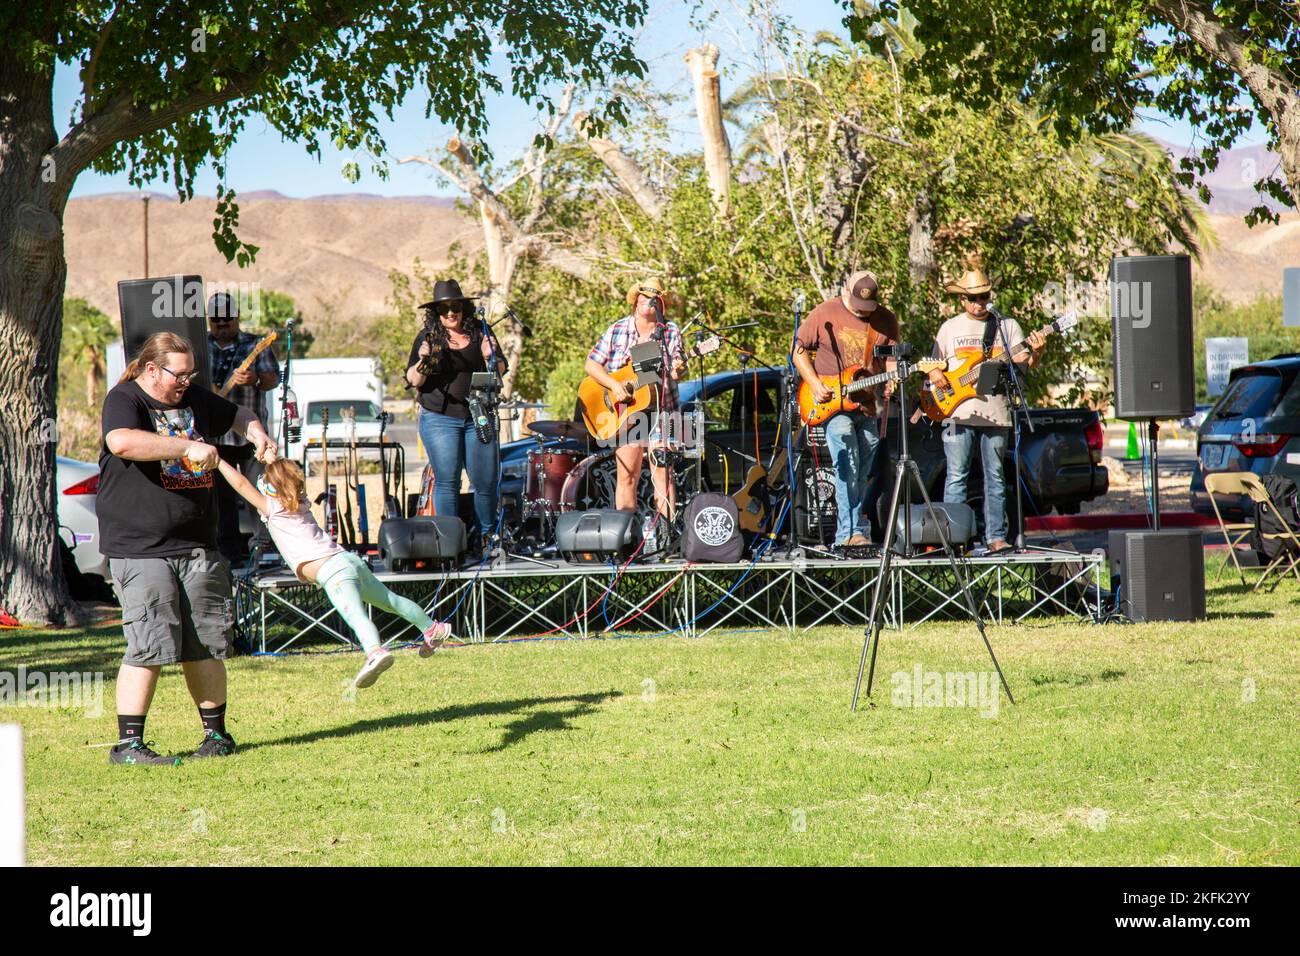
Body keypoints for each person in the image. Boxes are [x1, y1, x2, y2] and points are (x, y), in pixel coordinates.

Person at [99, 331, 276, 764]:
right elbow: (120, 441)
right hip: (141, 547)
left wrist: (257, 434)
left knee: (206, 641)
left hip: (198, 543)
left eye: (190, 374)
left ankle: (216, 737)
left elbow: (236, 413)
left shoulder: (192, 397)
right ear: (151, 369)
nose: (186, 382)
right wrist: (187, 445)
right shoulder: (126, 399)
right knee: (150, 641)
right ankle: (129, 745)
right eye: (179, 374)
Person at [216, 457, 452, 687]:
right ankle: (433, 629)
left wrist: (218, 461)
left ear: (270, 488)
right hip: (348, 561)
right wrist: (272, 459)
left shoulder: (273, 508)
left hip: (333, 573)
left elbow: (241, 484)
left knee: (356, 615)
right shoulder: (301, 501)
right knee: (391, 601)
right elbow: (283, 475)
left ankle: (375, 651)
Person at [928, 268, 1046, 553]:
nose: (980, 302)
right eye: (973, 298)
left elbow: (1022, 367)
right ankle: (954, 539)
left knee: (995, 476)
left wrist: (1038, 352)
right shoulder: (949, 328)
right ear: (963, 300)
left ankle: (996, 537)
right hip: (957, 412)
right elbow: (932, 364)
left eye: (984, 296)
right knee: (956, 475)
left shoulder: (1007, 327)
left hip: (996, 412)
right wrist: (934, 374)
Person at [792, 270, 900, 548]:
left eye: (869, 308)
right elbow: (798, 349)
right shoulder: (825, 312)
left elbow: (891, 359)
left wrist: (894, 375)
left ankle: (855, 528)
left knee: (862, 468)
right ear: (846, 293)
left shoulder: (886, 320)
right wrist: (814, 384)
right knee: (847, 461)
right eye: (858, 306)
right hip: (832, 403)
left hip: (865, 404)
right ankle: (848, 534)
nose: (864, 313)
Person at [406, 279, 507, 547]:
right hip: (440, 418)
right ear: (436, 313)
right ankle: (449, 541)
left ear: (464, 308)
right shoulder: (428, 337)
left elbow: (500, 371)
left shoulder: (480, 332)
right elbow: (414, 380)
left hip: (479, 416)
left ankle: (488, 537)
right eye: (444, 309)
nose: (451, 313)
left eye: (456, 307)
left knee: (485, 481)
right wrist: (424, 361)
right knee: (448, 480)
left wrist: (491, 356)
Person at [584, 278, 686, 517]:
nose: (646, 300)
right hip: (626, 414)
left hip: (663, 411)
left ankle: (665, 537)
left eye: (652, 297)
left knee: (662, 474)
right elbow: (591, 364)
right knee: (627, 475)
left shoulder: (670, 331)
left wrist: (679, 369)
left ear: (660, 304)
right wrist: (614, 385)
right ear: (636, 300)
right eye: (642, 295)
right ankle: (627, 537)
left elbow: (675, 371)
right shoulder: (618, 329)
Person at [207, 291, 281, 567]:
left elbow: (273, 379)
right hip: (216, 435)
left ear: (237, 318)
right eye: (217, 321)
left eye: (227, 320)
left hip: (251, 435)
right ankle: (227, 551)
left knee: (258, 491)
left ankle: (263, 547)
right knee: (222, 497)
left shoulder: (254, 344)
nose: (222, 325)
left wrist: (254, 379)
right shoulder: (200, 345)